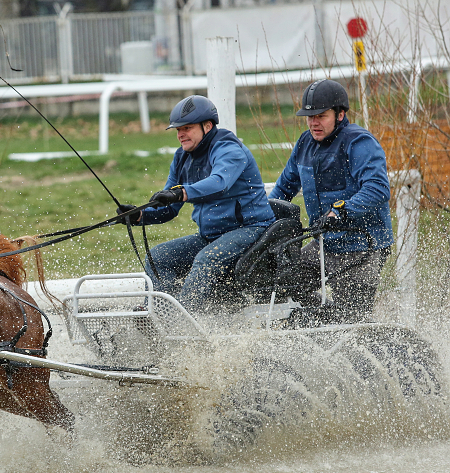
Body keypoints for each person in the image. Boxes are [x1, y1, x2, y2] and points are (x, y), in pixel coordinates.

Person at [117, 95, 276, 313]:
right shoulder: (182, 157)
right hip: (211, 236)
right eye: (177, 130)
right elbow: (169, 208)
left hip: (251, 230)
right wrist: (140, 215)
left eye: (187, 128)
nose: (180, 135)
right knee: (158, 257)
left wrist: (182, 192)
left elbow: (220, 183)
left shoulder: (228, 149)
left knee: (206, 259)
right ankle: (160, 314)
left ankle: (184, 319)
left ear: (207, 126)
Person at [269, 79, 393, 322]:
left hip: (362, 246)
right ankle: (326, 317)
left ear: (340, 114)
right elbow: (283, 189)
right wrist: (262, 219)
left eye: (321, 116)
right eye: (309, 116)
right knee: (284, 282)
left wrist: (342, 211)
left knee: (354, 324)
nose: (313, 122)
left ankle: (343, 325)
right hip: (324, 246)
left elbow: (378, 188)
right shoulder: (305, 143)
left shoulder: (359, 142)